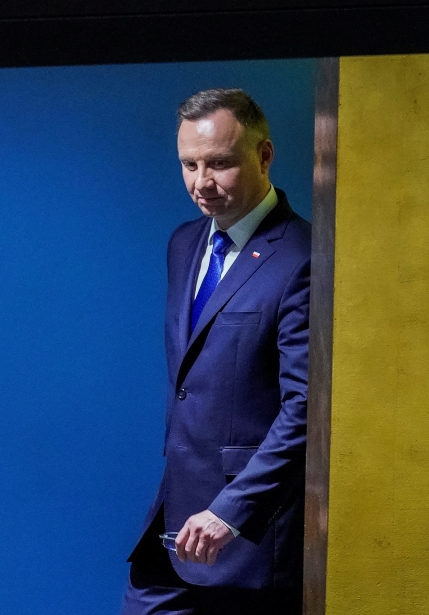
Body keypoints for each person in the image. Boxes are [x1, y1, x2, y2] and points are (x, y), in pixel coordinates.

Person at [121, 88, 310, 615]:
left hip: (245, 538)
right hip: (172, 524)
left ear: (265, 155)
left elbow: (307, 409)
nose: (201, 183)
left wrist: (231, 511)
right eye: (189, 164)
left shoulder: (303, 257)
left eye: (220, 164)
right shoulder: (184, 243)